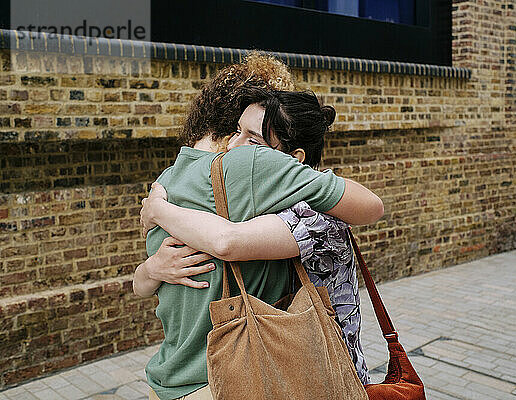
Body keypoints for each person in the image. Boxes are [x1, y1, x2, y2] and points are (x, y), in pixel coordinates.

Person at [133, 55, 382, 400]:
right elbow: (146, 282)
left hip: (190, 379)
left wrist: (158, 209)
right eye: (237, 131)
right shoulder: (235, 181)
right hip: (238, 379)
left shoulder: (171, 180)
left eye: (253, 139)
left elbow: (226, 241)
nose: (236, 147)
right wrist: (152, 267)